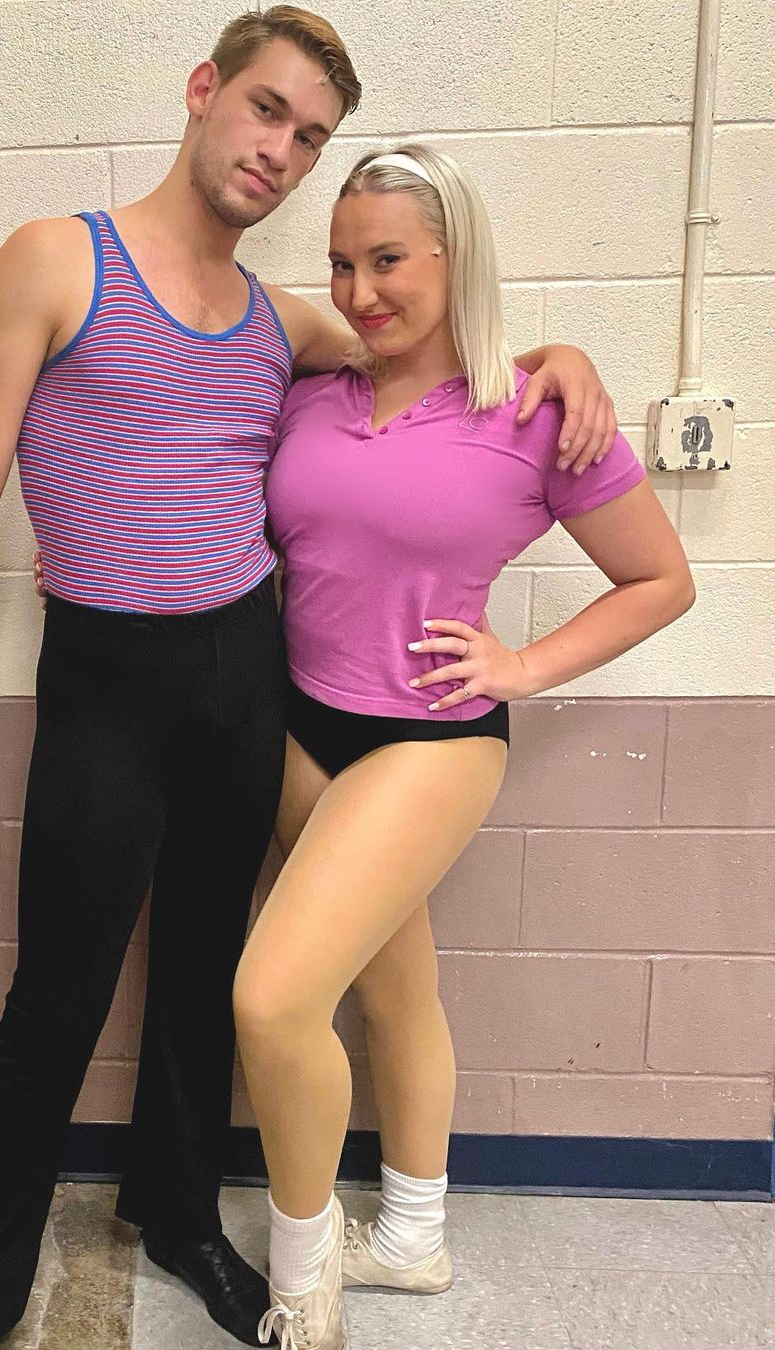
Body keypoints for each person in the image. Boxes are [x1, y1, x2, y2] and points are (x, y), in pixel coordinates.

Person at [0, 8, 618, 1349]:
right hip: (106, 674)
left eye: (310, 136)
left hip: (245, 668)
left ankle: (177, 1217)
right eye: (267, 110)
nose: (280, 151)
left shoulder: (284, 321)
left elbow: (442, 356)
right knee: (56, 994)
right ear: (205, 90)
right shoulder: (57, 258)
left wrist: (555, 359)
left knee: (202, 973)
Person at [224, 142, 696, 1350]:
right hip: (301, 724)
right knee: (397, 988)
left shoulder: (536, 414)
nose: (360, 290)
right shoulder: (313, 391)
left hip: (430, 740)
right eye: (343, 264)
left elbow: (661, 580)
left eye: (388, 260)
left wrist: (523, 665)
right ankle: (413, 1239)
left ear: (454, 256)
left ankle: (303, 1282)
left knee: (273, 1001)